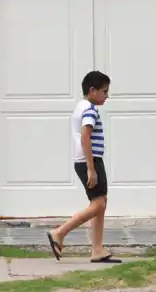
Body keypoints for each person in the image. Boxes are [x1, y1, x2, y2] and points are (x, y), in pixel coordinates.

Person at [47, 70, 121, 263]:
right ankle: (59, 233)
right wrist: (91, 168)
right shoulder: (90, 110)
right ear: (92, 90)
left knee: (100, 204)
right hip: (90, 160)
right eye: (104, 92)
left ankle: (97, 249)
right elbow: (85, 137)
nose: (107, 96)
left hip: (85, 160)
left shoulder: (81, 106)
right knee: (99, 204)